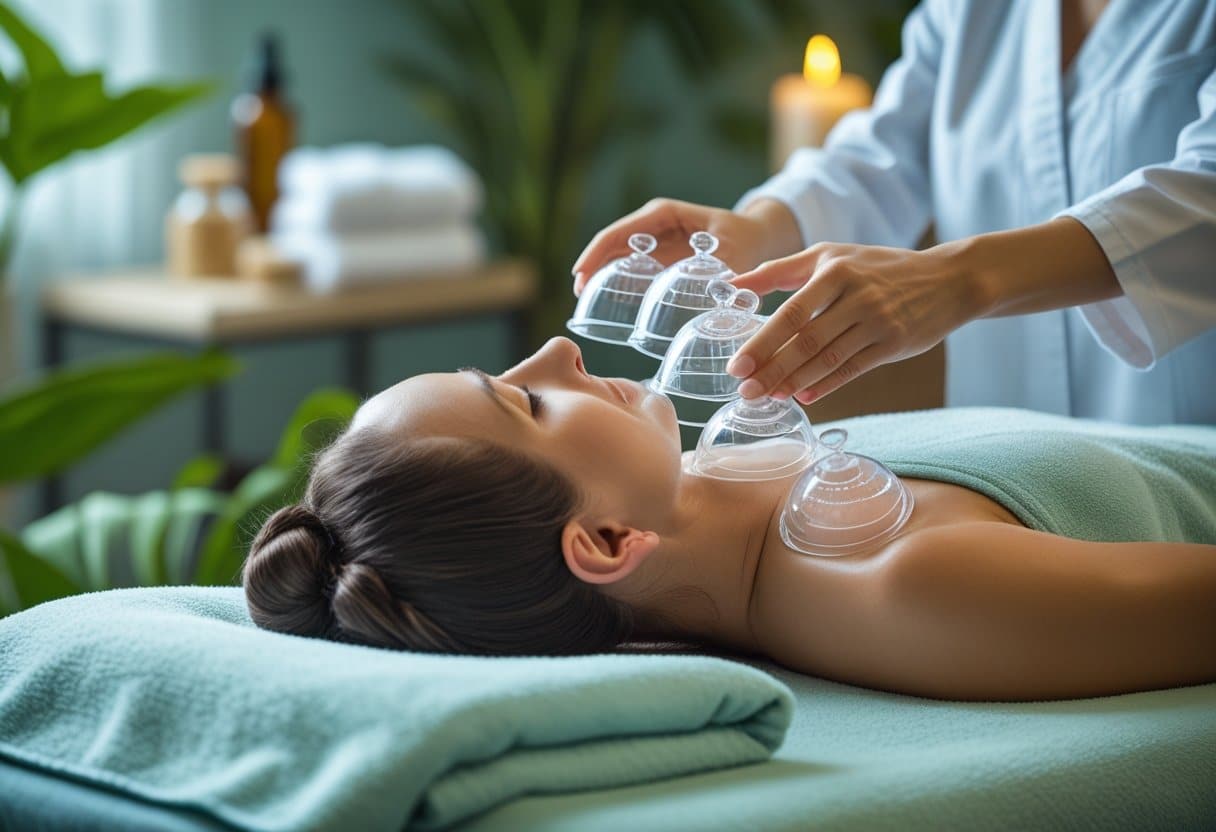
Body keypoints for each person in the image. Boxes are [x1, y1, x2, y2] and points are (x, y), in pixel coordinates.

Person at [243, 337, 1216, 702]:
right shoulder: (897, 580)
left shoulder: (737, 462)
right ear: (609, 544)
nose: (557, 349)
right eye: (526, 403)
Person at [572, 0, 1216, 425]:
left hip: (1184, 447)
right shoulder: (971, 12)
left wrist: (962, 278)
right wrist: (761, 228)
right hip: (1012, 457)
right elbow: (886, 150)